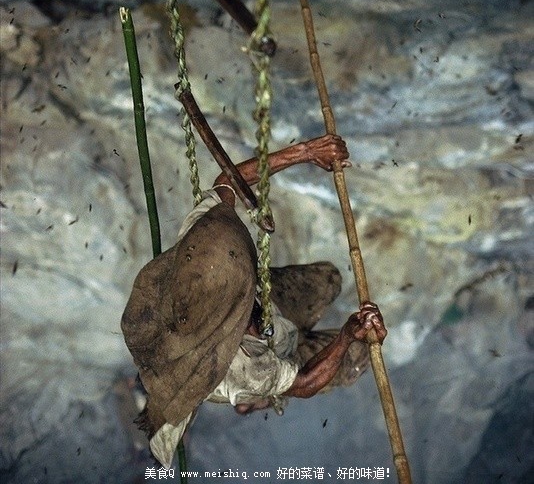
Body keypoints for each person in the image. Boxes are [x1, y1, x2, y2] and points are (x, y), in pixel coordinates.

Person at [121, 134, 387, 469]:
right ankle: (259, 399)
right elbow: (305, 383)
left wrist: (305, 151)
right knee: (362, 350)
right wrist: (348, 335)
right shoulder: (244, 371)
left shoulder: (199, 250)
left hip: (267, 300)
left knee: (329, 279)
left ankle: (263, 321)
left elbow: (227, 180)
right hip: (275, 358)